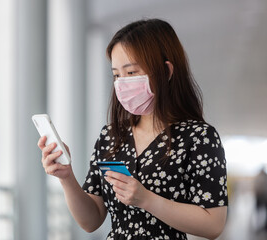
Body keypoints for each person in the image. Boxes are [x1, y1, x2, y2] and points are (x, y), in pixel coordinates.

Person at [38, 18, 228, 240]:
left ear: (166, 72)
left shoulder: (199, 137)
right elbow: (91, 221)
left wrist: (147, 199)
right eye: (117, 75)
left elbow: (213, 224)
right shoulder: (111, 135)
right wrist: (66, 177)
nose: (121, 83)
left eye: (131, 72)